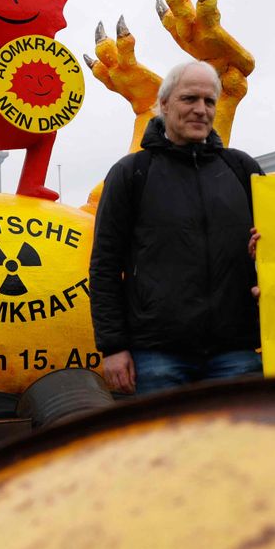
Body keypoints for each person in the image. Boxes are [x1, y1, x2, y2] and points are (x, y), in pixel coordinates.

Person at [90, 60, 264, 395]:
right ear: (164, 104)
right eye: (189, 99)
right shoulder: (131, 173)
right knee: (167, 449)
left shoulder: (242, 169)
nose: (201, 109)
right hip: (157, 357)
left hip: (236, 353)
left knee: (235, 449)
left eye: (209, 101)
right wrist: (112, 347)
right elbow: (104, 267)